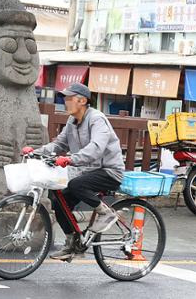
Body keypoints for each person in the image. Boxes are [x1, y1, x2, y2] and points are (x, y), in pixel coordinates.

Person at [22, 82, 125, 260]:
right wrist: (36, 152)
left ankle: (106, 213)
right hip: (86, 171)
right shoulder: (72, 121)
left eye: (69, 98)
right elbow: (59, 144)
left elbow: (96, 147)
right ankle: (73, 243)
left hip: (108, 171)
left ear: (82, 100)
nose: (66, 102)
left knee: (76, 185)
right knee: (58, 198)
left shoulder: (96, 119)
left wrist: (70, 159)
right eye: (65, 98)